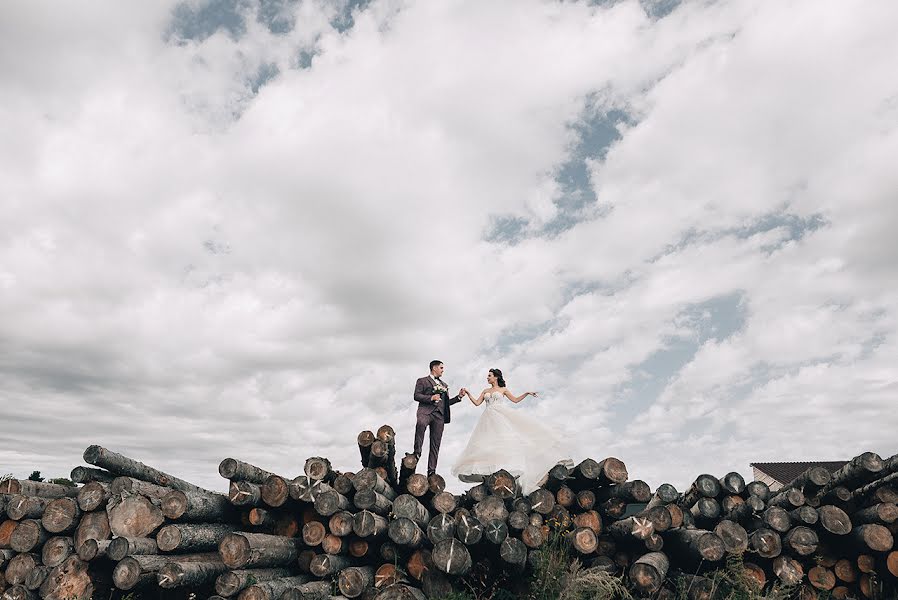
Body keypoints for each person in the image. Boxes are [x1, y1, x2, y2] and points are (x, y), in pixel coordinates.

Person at [451, 368, 573, 493]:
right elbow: (477, 403)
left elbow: (515, 400)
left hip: (499, 416)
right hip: (487, 418)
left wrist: (526, 393)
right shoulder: (485, 391)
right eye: (487, 376)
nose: (487, 378)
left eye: (489, 376)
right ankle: (490, 474)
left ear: (496, 377)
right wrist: (468, 393)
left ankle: (502, 473)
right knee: (488, 444)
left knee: (503, 442)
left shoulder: (503, 390)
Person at [412, 360, 465, 476]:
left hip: (439, 416)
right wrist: (431, 398)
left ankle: (431, 471)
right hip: (425, 412)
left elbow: (446, 403)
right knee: (420, 424)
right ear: (434, 368)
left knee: (435, 443)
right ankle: (417, 452)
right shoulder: (422, 381)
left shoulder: (444, 385)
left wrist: (459, 397)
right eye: (441, 368)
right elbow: (416, 395)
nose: (443, 370)